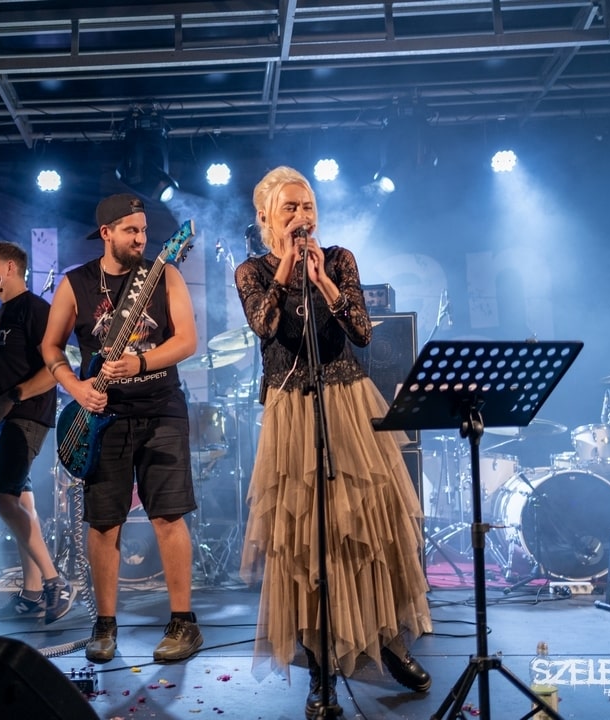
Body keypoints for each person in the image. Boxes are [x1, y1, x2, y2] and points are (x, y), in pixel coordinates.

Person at [234, 167, 433, 719]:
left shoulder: (340, 259)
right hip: (291, 410)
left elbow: (363, 333)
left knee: (366, 525)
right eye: (291, 207)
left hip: (346, 401)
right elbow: (264, 325)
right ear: (266, 216)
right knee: (307, 538)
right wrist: (286, 271)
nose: (303, 216)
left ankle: (389, 642)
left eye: (308, 206)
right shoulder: (252, 271)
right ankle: (319, 668)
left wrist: (322, 281)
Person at [40, 193, 203, 664]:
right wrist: (76, 388)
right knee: (104, 521)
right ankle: (105, 626)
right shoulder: (76, 284)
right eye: (131, 230)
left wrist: (142, 363)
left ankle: (183, 623)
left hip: (161, 407)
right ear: (106, 232)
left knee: (168, 515)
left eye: (145, 230)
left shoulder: (164, 274)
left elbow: (187, 341)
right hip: (102, 417)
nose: (141, 238)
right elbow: (50, 347)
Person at [0, 240, 76, 624]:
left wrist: (13, 397)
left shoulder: (36, 310)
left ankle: (56, 583)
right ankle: (32, 594)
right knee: (22, 504)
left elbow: (56, 369)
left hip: (25, 417)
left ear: (10, 268)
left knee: (2, 501)